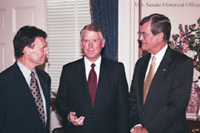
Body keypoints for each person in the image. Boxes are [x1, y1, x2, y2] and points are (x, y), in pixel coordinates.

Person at [55, 24, 129, 133]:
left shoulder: (116, 69)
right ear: (81, 44)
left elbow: (123, 107)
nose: (90, 46)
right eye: (86, 41)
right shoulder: (69, 70)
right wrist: (68, 115)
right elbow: (61, 101)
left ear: (102, 43)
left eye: (95, 41)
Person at [129, 13, 193, 133]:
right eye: (140, 34)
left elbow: (176, 105)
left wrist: (149, 129)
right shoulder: (140, 64)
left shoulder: (182, 64)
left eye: (144, 34)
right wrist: (137, 124)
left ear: (159, 36)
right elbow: (133, 98)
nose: (140, 38)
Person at [0, 26, 51, 133]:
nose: (47, 52)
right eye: (43, 48)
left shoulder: (45, 78)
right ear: (27, 50)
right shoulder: (4, 82)